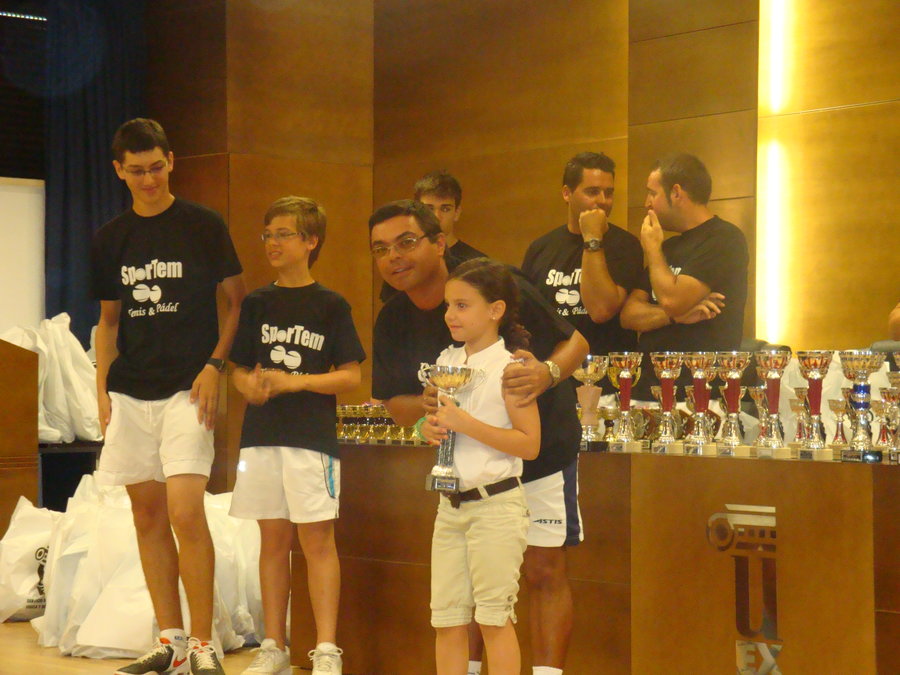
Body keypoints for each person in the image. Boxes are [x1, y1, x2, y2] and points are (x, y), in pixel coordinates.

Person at [369, 200, 588, 675]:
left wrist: (545, 374)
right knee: (456, 602)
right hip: (462, 480)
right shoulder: (404, 326)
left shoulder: (493, 283)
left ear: (438, 242)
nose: (394, 256)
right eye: (380, 249)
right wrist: (428, 412)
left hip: (536, 456)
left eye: (405, 242)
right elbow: (398, 404)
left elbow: (576, 342)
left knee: (539, 573)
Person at [91, 118, 246, 675]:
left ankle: (204, 642)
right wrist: (101, 390)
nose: (150, 179)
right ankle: (171, 641)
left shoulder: (203, 225)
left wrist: (215, 366)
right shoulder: (110, 237)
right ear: (120, 171)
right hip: (131, 391)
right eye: (137, 171)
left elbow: (236, 300)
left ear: (171, 161)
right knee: (146, 515)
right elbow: (108, 322)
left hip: (188, 388)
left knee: (186, 510)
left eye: (157, 167)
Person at [229, 196, 365, 675]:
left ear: (310, 241)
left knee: (317, 540)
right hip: (261, 436)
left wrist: (296, 382)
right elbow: (238, 368)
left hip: (311, 439)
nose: (272, 243)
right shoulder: (257, 302)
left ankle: (326, 649)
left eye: (283, 234)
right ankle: (273, 644)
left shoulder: (330, 304)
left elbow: (351, 376)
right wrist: (248, 386)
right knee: (271, 541)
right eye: (268, 234)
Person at [419, 258, 540, 675]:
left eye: (462, 305)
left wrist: (464, 423)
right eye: (448, 305)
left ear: (495, 310)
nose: (451, 315)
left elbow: (530, 444)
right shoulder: (446, 359)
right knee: (446, 620)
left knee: (493, 619)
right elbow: (437, 421)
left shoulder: (511, 367)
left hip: (496, 507)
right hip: (450, 505)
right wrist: (427, 427)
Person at [620, 153, 749, 399]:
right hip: (648, 389)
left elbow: (672, 300)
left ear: (676, 193)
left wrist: (652, 249)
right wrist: (675, 317)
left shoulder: (724, 239)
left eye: (652, 193)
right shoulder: (669, 248)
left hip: (699, 394)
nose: (647, 203)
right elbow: (629, 315)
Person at [521, 152, 643, 394]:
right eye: (592, 192)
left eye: (609, 193)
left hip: (607, 386)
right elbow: (528, 317)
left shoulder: (625, 245)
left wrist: (592, 237)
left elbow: (601, 310)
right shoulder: (540, 248)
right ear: (567, 193)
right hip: (552, 381)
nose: (603, 201)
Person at [379, 170, 487, 303]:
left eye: (445, 209)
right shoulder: (402, 262)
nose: (436, 216)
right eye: (429, 209)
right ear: (416, 213)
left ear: (457, 213)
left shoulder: (478, 265)